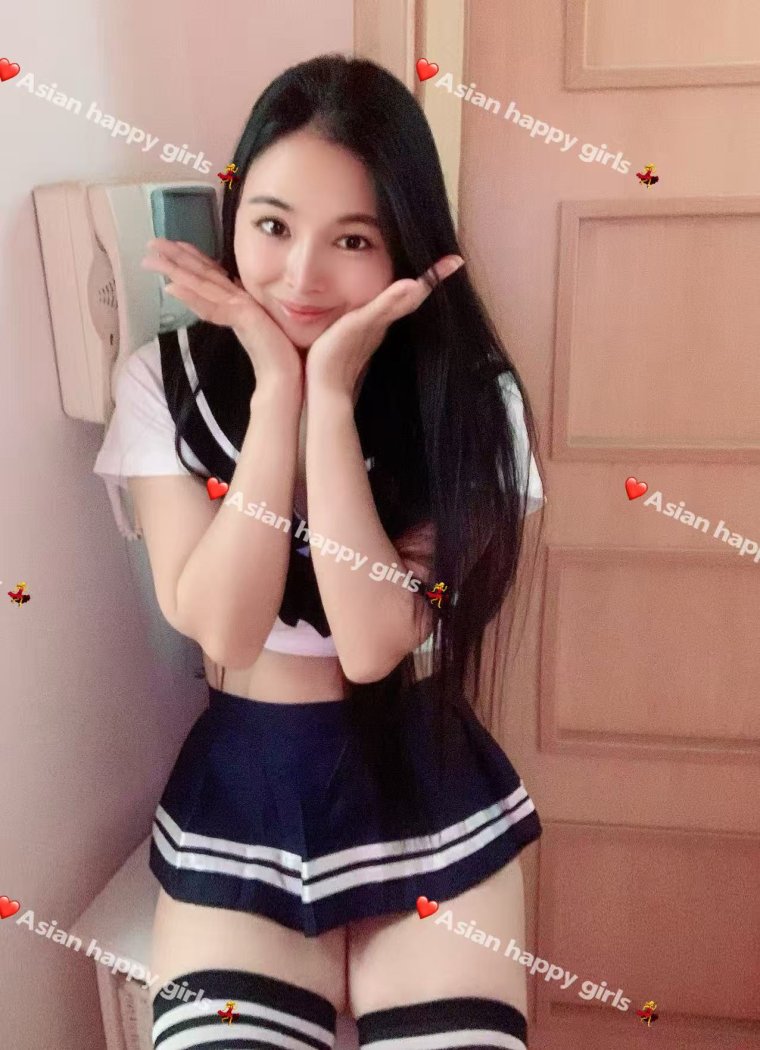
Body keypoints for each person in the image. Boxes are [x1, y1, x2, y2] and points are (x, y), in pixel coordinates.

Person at [93, 53, 546, 1050]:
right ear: (234, 216)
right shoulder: (161, 384)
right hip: (244, 791)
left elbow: (375, 641)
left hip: (423, 782)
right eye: (272, 226)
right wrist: (274, 388)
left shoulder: (474, 402)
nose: (300, 275)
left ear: (407, 247)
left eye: (352, 239)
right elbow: (225, 627)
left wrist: (331, 399)